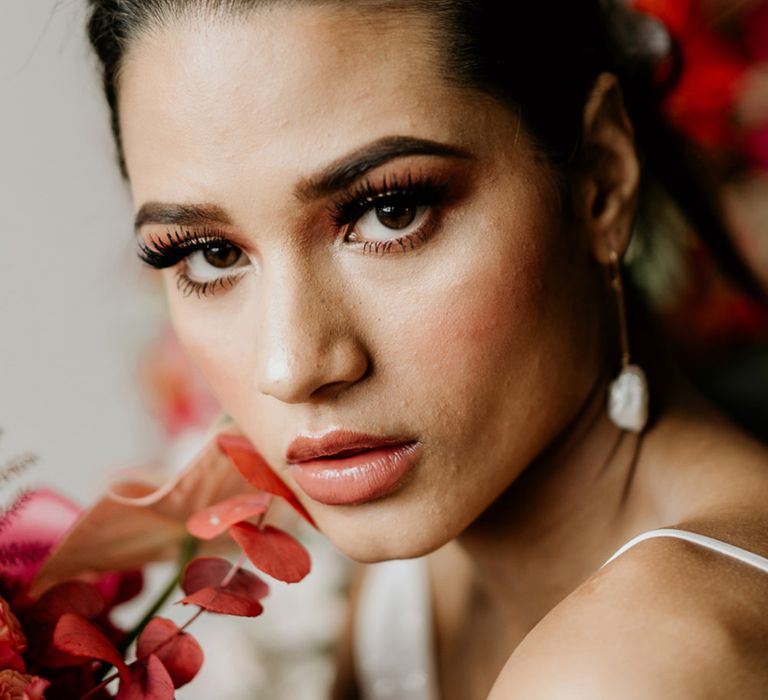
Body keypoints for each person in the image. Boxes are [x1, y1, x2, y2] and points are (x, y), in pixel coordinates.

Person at [85, 1, 768, 698]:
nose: (291, 367)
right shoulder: (417, 574)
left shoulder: (643, 665)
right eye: (211, 253)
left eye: (391, 211)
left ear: (600, 178)